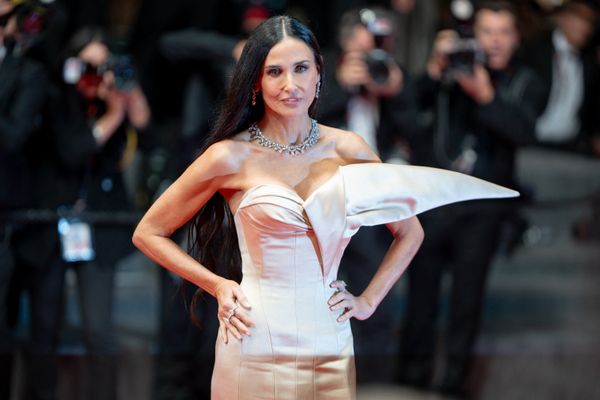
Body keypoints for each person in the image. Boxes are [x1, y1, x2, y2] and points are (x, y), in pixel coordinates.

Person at [132, 15, 517, 399]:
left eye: (301, 68)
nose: (290, 85)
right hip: (253, 335)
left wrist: (367, 301)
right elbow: (149, 232)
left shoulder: (348, 148)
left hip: (329, 341)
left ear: (319, 72)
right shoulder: (229, 157)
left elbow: (409, 231)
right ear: (255, 83)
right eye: (274, 72)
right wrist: (217, 285)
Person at [398, 2, 547, 397]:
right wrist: (434, 69)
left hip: (482, 210)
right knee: (420, 296)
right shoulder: (449, 70)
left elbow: (524, 132)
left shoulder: (525, 81)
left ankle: (454, 383)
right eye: (486, 32)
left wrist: (484, 95)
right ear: (472, 36)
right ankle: (411, 376)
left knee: (467, 300)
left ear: (516, 39)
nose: (494, 41)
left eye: (504, 33)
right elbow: (406, 108)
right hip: (432, 202)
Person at [10, 26, 151, 400]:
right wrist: (111, 115)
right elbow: (72, 151)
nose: (94, 74)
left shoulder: (112, 98)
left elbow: (143, 125)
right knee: (44, 326)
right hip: (48, 224)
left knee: (99, 331)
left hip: (98, 227)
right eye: (87, 65)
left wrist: (124, 89)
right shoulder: (54, 97)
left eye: (101, 65)